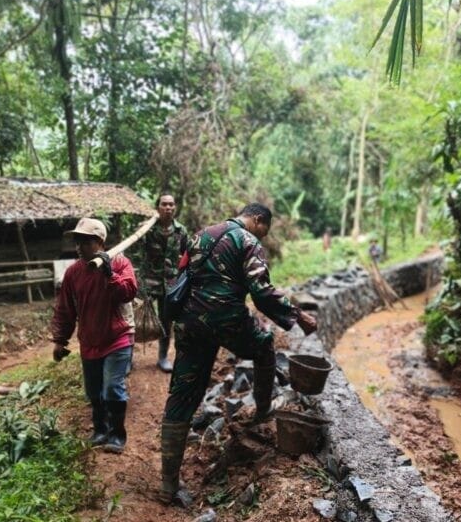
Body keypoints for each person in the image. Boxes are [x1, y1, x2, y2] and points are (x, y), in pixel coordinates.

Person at [159, 203, 317, 504]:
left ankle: (168, 484)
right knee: (264, 346)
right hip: (226, 319)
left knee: (182, 396)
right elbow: (261, 291)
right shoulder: (247, 241)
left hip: (190, 322)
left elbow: (180, 275)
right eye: (264, 230)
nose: (263, 236)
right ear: (257, 220)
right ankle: (262, 410)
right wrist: (298, 315)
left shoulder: (200, 235)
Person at [51, 218, 138, 454]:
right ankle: (100, 430)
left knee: (112, 387)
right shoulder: (73, 273)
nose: (78, 247)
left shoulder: (119, 262)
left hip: (117, 337)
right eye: (77, 242)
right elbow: (65, 308)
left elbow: (128, 292)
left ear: (99, 242)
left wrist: (110, 273)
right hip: (90, 339)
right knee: (94, 391)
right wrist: (60, 340)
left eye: (85, 242)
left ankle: (117, 434)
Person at [142, 194, 188, 373]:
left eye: (171, 204)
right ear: (158, 207)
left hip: (171, 282)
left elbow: (186, 256)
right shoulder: (148, 229)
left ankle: (162, 356)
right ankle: (129, 357)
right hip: (149, 280)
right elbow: (138, 253)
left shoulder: (181, 231)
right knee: (138, 318)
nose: (168, 207)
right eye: (164, 204)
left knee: (166, 320)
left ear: (174, 208)